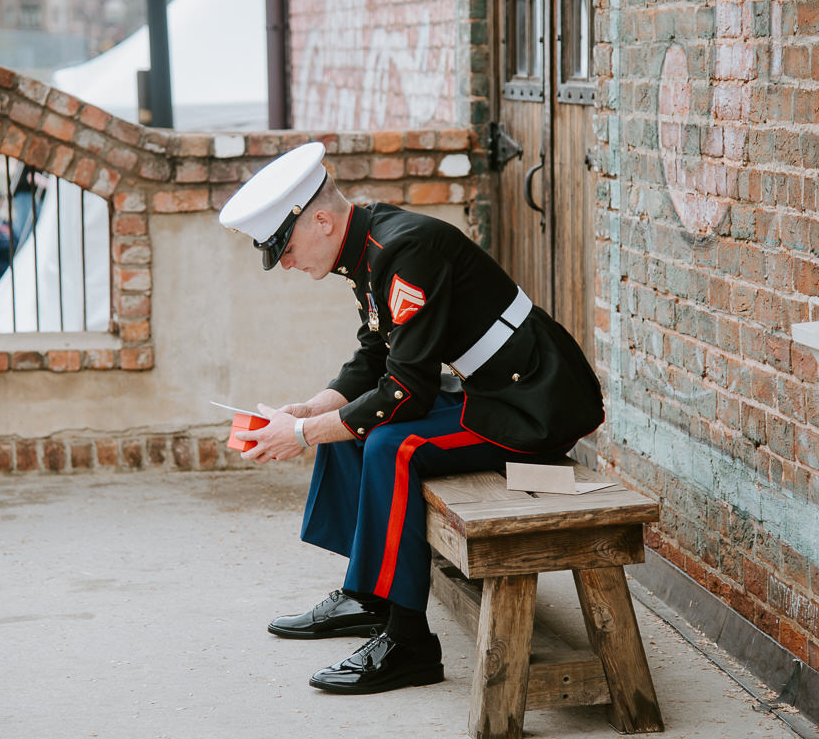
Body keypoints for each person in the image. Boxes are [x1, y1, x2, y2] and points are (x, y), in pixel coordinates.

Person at [218, 142, 605, 695]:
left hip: (532, 402)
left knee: (389, 444)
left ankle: (409, 643)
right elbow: (375, 358)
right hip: (491, 386)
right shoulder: (368, 246)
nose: (284, 262)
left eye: (284, 246)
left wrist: (302, 435)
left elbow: (404, 393)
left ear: (322, 221)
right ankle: (367, 596)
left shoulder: (404, 250)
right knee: (352, 426)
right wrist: (308, 410)